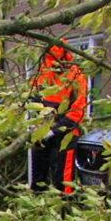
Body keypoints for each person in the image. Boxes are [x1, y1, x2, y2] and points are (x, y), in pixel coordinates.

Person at [29, 42, 88, 194]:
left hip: (67, 133)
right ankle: (37, 208)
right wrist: (40, 126)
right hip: (42, 129)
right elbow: (33, 100)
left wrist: (54, 129)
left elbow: (78, 110)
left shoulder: (75, 75)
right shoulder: (42, 72)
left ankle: (64, 210)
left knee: (64, 180)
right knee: (38, 178)